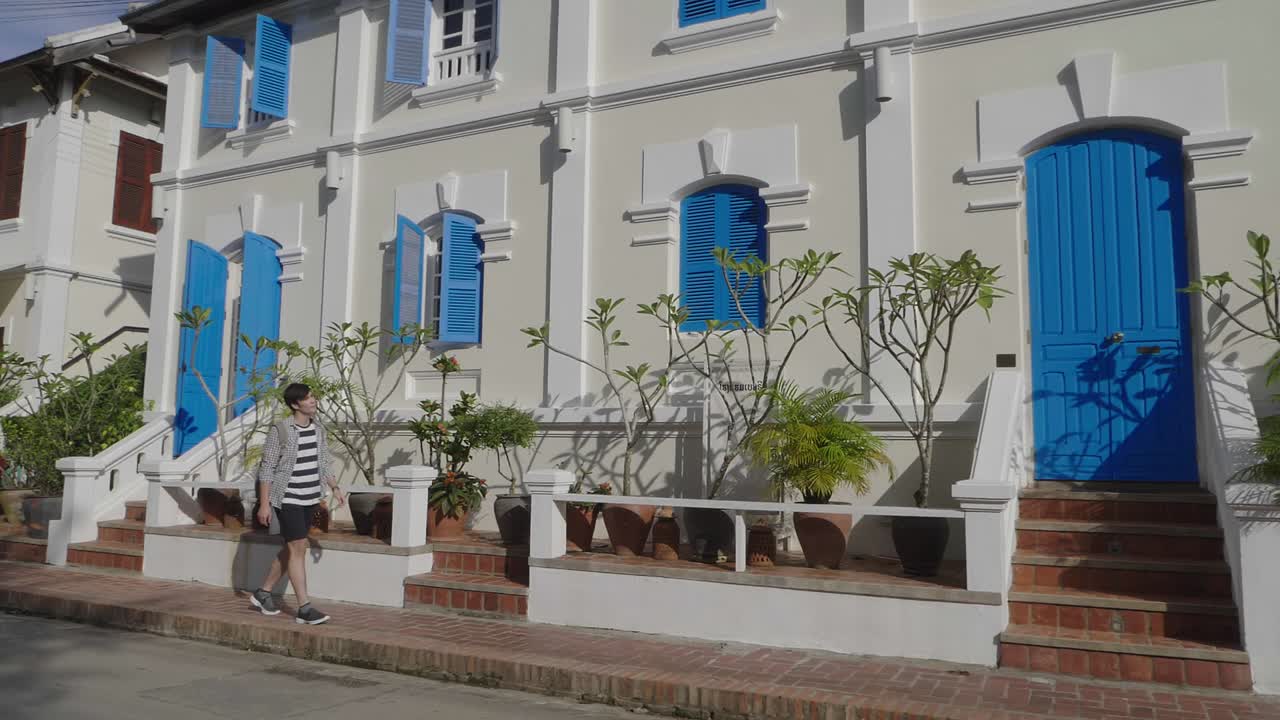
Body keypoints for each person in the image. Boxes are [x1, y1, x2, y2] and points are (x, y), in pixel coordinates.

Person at [249, 382, 346, 625]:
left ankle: (263, 593)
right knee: (297, 548)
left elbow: (323, 461)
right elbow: (267, 468)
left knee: (294, 547)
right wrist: (264, 505)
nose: (313, 400)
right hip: (288, 498)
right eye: (308, 398)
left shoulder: (318, 429)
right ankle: (304, 608)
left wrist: (334, 487)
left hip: (310, 497)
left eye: (313, 396)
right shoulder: (280, 430)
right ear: (295, 404)